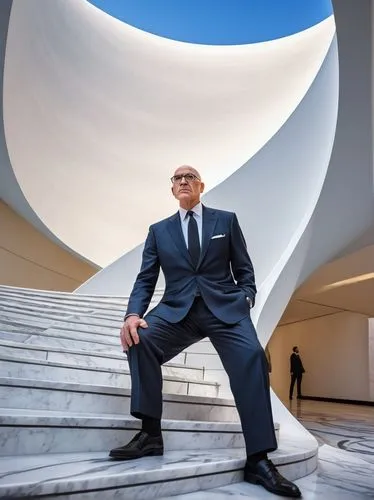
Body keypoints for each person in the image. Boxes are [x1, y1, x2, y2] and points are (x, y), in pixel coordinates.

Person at [109, 166, 301, 498]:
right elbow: (145, 278)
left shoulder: (225, 220)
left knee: (253, 357)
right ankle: (151, 435)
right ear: (172, 190)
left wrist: (246, 297)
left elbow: (244, 269)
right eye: (177, 178)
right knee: (140, 339)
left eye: (190, 176)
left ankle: (257, 459)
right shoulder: (158, 231)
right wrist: (132, 314)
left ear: (200, 186)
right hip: (177, 311)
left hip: (225, 309)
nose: (183, 180)